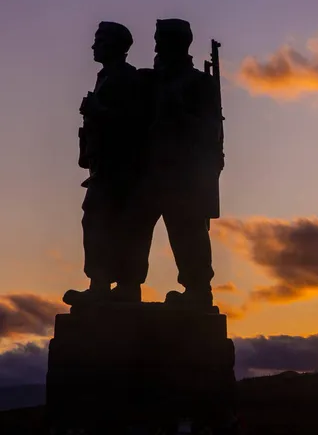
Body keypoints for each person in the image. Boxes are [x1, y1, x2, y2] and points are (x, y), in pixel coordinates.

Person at [119, 18, 222, 310]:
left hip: (183, 174)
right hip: (148, 170)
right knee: (133, 228)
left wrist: (178, 113)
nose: (155, 45)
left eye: (161, 40)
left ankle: (198, 290)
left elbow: (210, 129)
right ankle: (127, 285)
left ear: (178, 43)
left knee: (187, 232)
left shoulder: (199, 83)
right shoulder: (149, 80)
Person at [63, 21, 143, 306]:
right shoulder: (107, 77)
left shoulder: (125, 78)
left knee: (107, 223)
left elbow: (133, 123)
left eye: (100, 40)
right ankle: (105, 284)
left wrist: (98, 111)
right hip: (104, 167)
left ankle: (110, 286)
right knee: (100, 222)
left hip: (120, 169)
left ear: (116, 46)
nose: (94, 45)